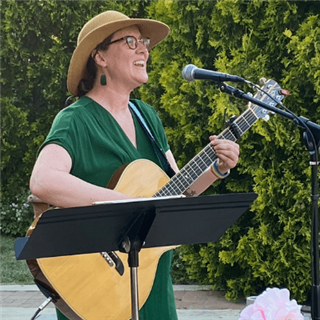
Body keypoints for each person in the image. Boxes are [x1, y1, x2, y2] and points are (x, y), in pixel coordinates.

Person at [29, 10, 239, 320]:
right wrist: (129, 206)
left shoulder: (148, 117)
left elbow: (177, 191)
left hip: (151, 281)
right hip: (96, 285)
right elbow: (44, 181)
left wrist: (217, 169)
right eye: (131, 41)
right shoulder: (75, 119)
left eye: (144, 42)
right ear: (100, 56)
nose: (144, 49)